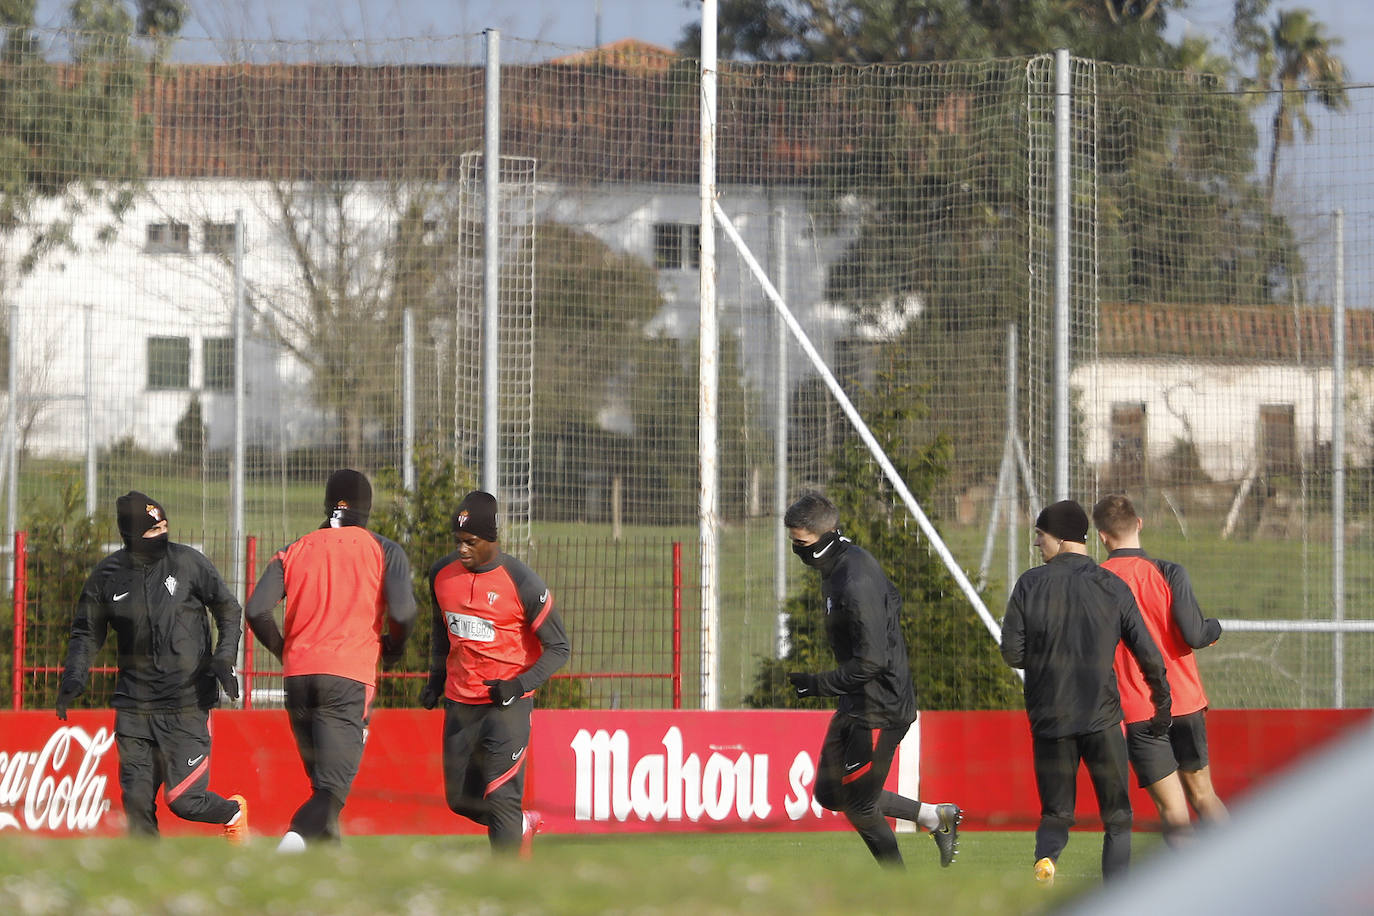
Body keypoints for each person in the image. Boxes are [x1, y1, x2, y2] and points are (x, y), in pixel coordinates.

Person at [782, 491, 962, 869]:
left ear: (827, 536)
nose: (796, 550)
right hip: (856, 702)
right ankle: (934, 817)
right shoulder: (836, 567)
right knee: (831, 793)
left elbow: (873, 661)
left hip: (880, 708)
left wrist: (817, 684)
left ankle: (898, 895)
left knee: (861, 803)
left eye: (802, 543)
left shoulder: (855, 579)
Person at [57, 491, 249, 844]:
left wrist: (224, 657)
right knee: (136, 804)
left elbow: (228, 608)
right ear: (130, 536)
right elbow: (86, 632)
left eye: (164, 526)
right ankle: (149, 882)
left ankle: (232, 812)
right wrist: (74, 674)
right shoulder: (107, 577)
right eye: (151, 530)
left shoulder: (190, 563)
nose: (161, 534)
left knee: (184, 800)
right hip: (133, 709)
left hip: (188, 703)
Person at [1000, 499, 1171, 886]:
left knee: (1056, 813)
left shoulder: (1030, 583)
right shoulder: (1112, 585)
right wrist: (1162, 702)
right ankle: (1117, 893)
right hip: (1101, 718)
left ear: (1060, 539)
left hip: (1049, 719)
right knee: (1117, 816)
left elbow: (1012, 652)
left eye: (1039, 537)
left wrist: (1043, 658)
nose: (1037, 546)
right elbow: (1147, 651)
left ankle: (1046, 860)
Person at [245, 468, 416, 853]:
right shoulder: (384, 549)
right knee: (332, 793)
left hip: (299, 679)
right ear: (367, 509)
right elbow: (403, 614)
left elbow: (257, 610)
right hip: (348, 679)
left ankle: (332, 884)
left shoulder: (296, 549)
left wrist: (286, 651)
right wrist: (393, 648)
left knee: (323, 790)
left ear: (328, 504)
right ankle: (290, 846)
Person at [420, 490, 570, 858]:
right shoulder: (440, 574)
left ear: (491, 539)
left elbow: (560, 647)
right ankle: (519, 825)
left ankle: (505, 891)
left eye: (470, 543)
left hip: (507, 707)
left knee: (502, 797)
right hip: (459, 703)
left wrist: (517, 686)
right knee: (459, 800)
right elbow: (443, 631)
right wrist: (435, 681)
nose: (462, 550)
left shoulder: (522, 581)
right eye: (457, 542)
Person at [1092, 494, 1229, 829]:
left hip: (1138, 709)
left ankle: (1191, 881)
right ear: (1139, 524)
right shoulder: (1168, 572)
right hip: (1184, 701)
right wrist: (1216, 627)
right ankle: (1245, 873)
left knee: (1172, 810)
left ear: (1101, 536)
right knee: (1203, 795)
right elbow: (1196, 635)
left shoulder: (1095, 582)